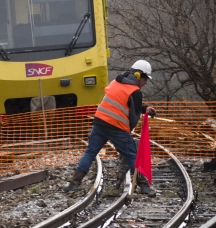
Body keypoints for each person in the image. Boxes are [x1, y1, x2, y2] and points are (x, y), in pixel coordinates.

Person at [66, 60, 157, 196]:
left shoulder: (116, 82)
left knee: (90, 152)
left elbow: (123, 103)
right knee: (132, 154)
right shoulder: (135, 91)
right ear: (138, 76)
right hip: (117, 127)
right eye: (145, 79)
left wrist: (145, 109)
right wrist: (127, 134)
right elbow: (134, 116)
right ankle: (144, 186)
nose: (146, 82)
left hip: (99, 123)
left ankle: (73, 184)